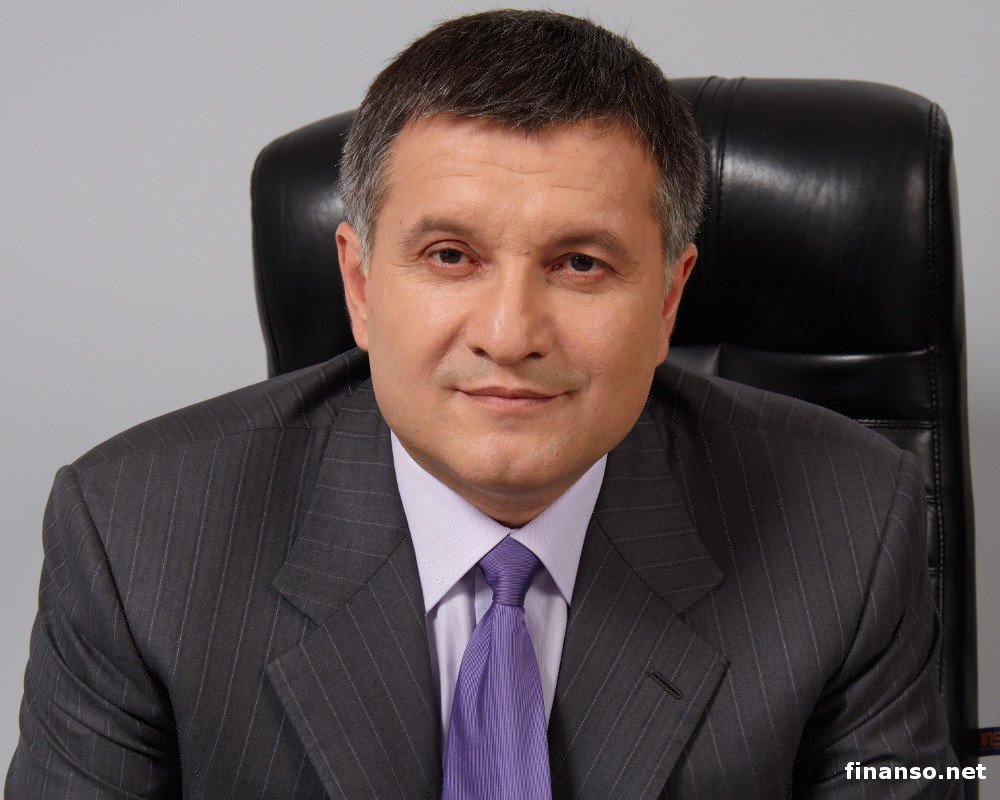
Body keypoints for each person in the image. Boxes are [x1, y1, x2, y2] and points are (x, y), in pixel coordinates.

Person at [6, 9, 960, 800]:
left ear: (669, 300)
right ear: (360, 286)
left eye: (580, 263)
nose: (510, 334)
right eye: (450, 256)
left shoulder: (849, 525)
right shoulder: (137, 538)